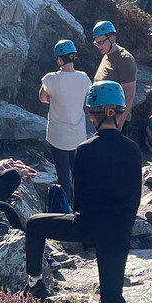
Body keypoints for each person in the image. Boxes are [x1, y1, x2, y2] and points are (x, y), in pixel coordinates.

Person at [23, 81, 142, 303]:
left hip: (87, 224)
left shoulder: (85, 150)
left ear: (98, 114)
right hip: (118, 231)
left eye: (91, 113)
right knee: (112, 293)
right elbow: (134, 199)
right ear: (117, 113)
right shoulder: (133, 150)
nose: (89, 118)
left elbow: (80, 200)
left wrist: (87, 232)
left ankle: (35, 283)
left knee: (35, 225)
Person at [39, 39, 92, 205]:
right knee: (78, 173)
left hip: (57, 135)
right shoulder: (84, 78)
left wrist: (55, 99)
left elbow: (42, 98)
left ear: (60, 59)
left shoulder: (51, 79)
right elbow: (87, 97)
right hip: (78, 136)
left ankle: (65, 208)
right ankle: (80, 205)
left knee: (62, 174)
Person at [91, 20, 137, 131]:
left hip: (114, 120)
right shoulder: (107, 54)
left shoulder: (124, 59)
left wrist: (119, 125)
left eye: (101, 42)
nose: (98, 46)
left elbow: (129, 94)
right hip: (101, 116)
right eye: (96, 42)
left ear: (112, 38)